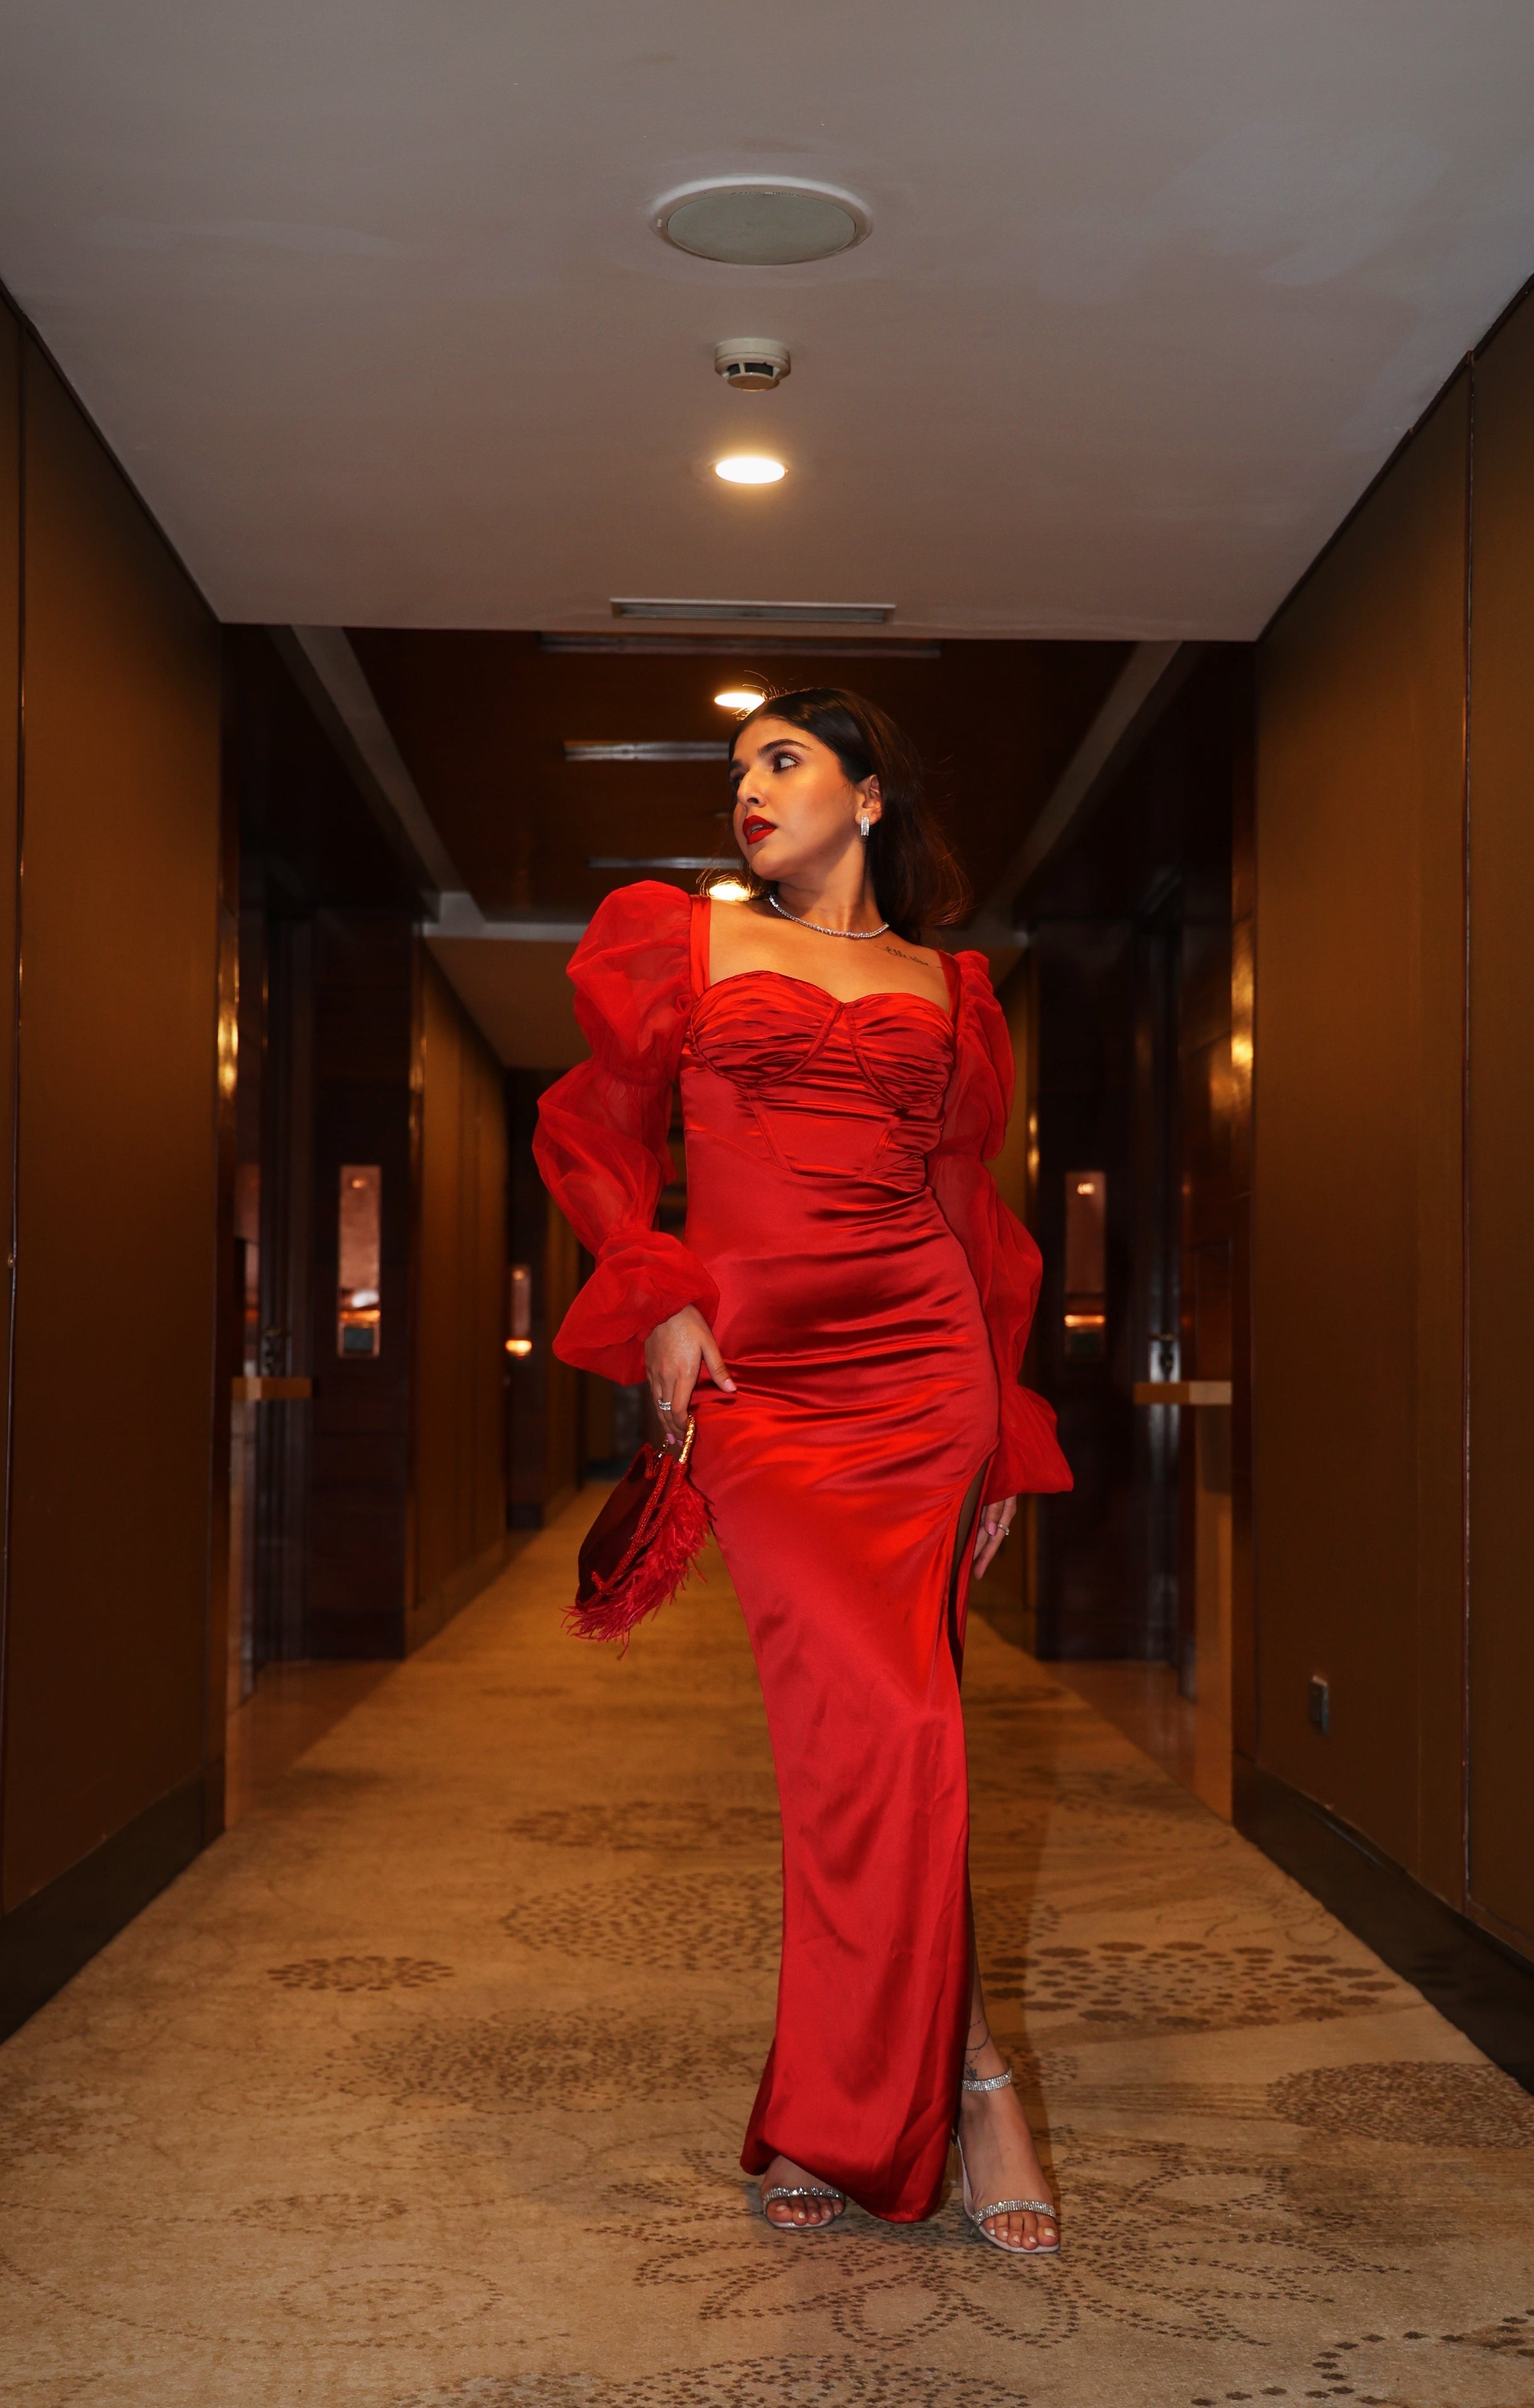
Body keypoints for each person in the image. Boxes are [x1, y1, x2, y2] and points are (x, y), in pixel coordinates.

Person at [534, 687, 1072, 2255]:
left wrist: (997, 1434)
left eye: (783, 762)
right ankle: (943, 2081)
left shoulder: (947, 985)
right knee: (870, 1735)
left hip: (925, 1374)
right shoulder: (678, 938)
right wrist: (660, 1296)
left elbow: (969, 1208)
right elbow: (596, 1135)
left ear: (871, 797)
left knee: (912, 1737)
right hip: (766, 1388)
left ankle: (949, 2084)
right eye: (737, 772)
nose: (749, 793)